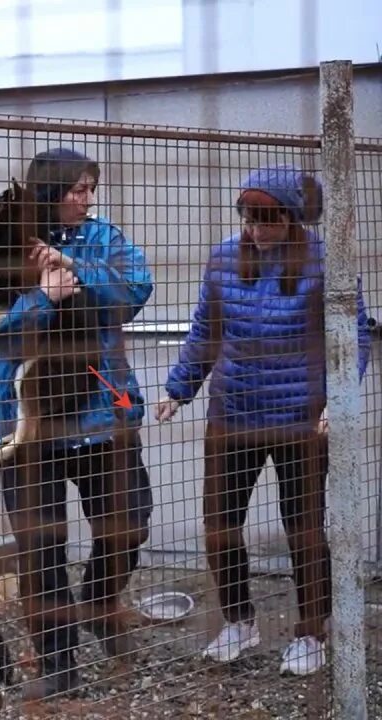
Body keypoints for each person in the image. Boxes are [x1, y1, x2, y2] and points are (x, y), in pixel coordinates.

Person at [156, 164, 371, 676]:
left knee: (304, 528)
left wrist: (338, 402)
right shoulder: (225, 256)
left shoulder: (325, 261)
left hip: (301, 417)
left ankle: (311, 631)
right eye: (249, 218)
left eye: (268, 219)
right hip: (232, 412)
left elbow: (355, 334)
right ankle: (238, 621)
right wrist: (179, 389)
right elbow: (206, 329)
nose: (257, 229)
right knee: (219, 524)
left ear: (293, 217)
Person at [0, 147, 155, 699]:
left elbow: (136, 291)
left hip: (101, 416)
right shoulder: (4, 242)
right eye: (77, 190)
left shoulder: (103, 239)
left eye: (91, 189)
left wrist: (75, 270)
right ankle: (58, 668)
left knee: (130, 525)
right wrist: (44, 298)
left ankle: (98, 601)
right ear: (48, 193)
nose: (87, 199)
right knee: (41, 552)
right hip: (25, 427)